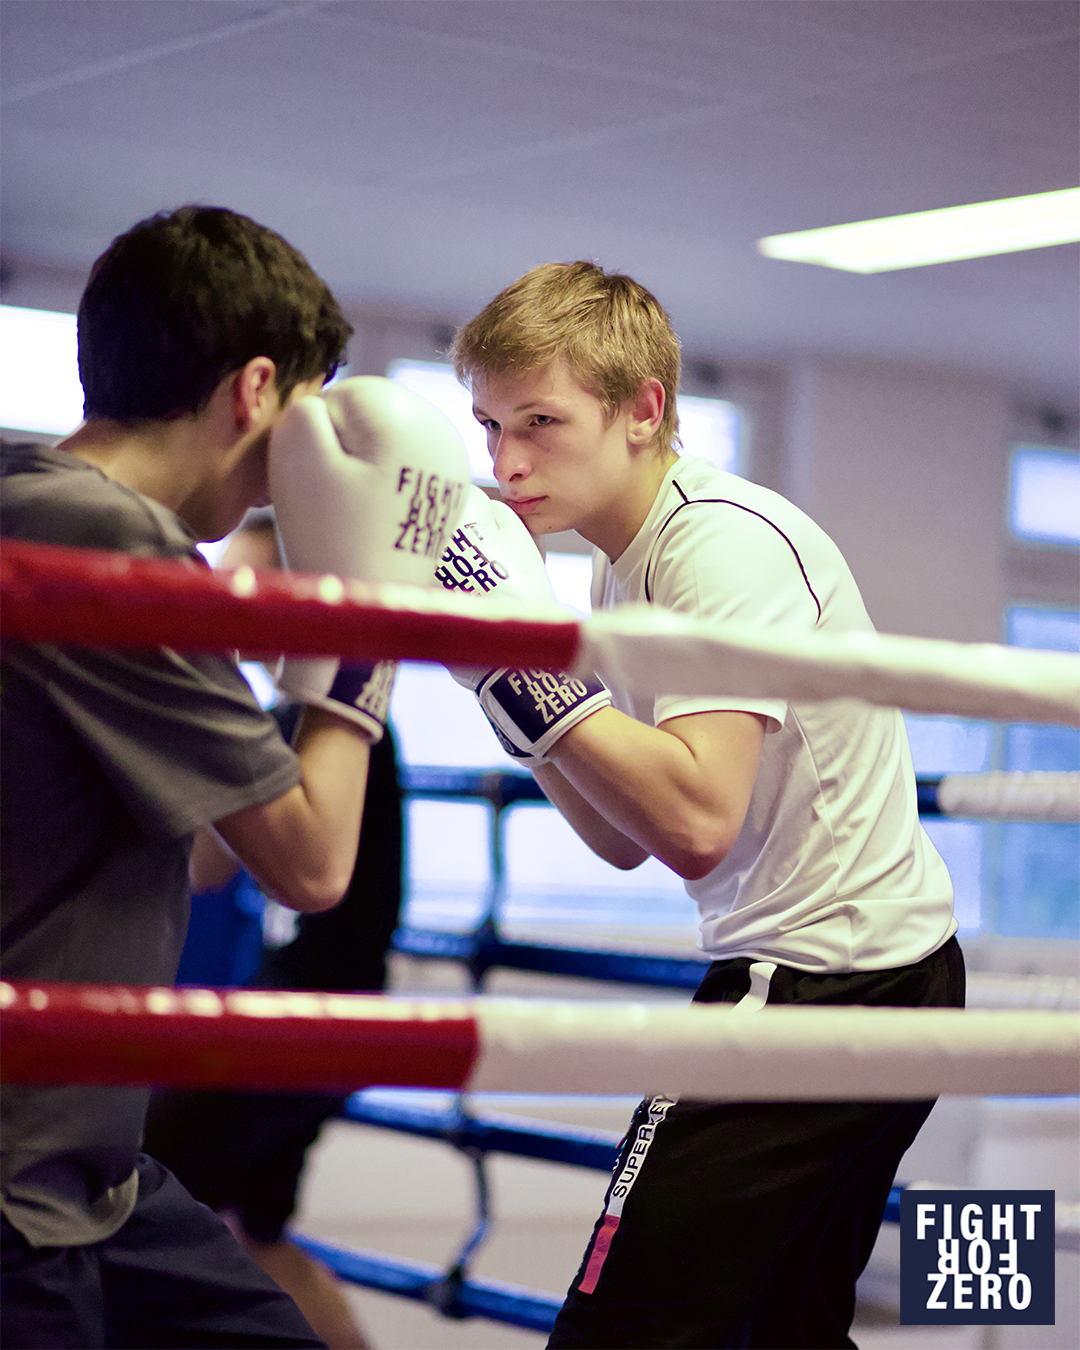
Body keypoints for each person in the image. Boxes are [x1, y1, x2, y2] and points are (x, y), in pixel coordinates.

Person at [441, 261, 964, 1349]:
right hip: (856, 974)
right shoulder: (619, 573)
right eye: (489, 426)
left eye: (541, 420)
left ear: (643, 410)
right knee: (787, 1331)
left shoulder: (719, 543)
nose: (508, 461)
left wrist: (526, 673)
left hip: (826, 980)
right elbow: (619, 835)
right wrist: (500, 680)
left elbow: (693, 825)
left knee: (615, 1326)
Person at [0, 205, 468, 1349]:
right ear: (257, 391)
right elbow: (310, 862)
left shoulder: (25, 495)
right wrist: (363, 621)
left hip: (96, 1169)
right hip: (21, 1181)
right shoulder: (115, 548)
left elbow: (206, 851)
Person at [144, 514, 404, 1350]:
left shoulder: (320, 722)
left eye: (252, 592)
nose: (235, 610)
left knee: (140, 1182)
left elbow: (213, 867)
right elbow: (213, 865)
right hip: (309, 1012)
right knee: (256, 1234)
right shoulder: (308, 716)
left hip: (314, 1019)